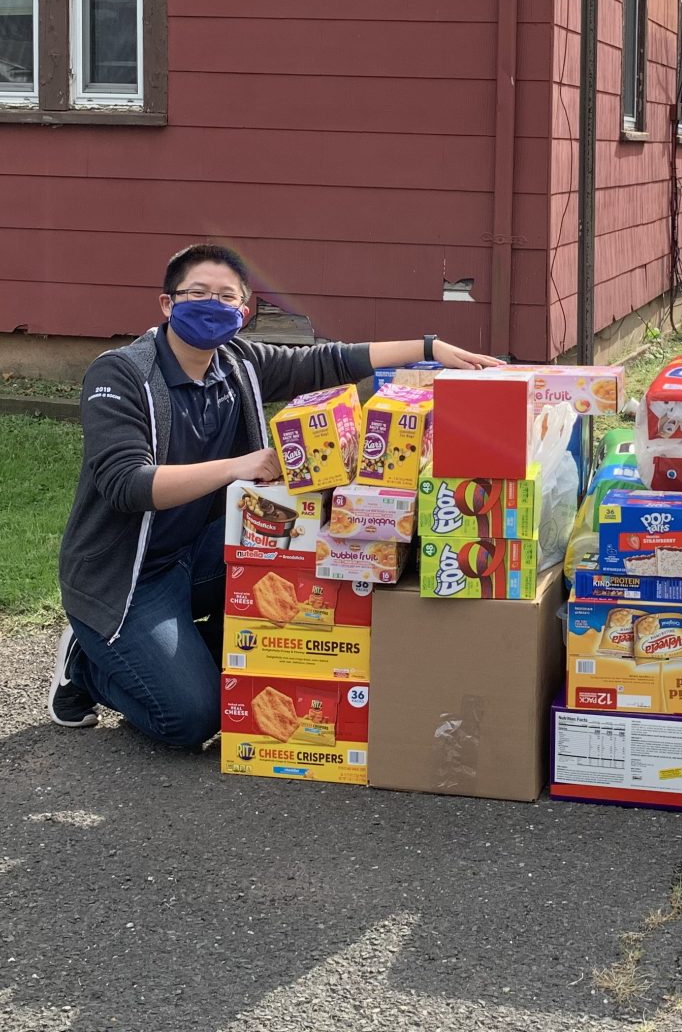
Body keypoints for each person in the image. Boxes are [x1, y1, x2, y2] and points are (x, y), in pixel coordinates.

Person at [48, 242, 501, 745]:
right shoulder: (121, 374)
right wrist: (240, 466)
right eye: (198, 292)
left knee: (304, 582)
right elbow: (125, 485)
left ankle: (175, 650)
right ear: (167, 303)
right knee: (191, 718)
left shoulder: (237, 362)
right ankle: (87, 665)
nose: (212, 305)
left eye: (226, 297)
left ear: (242, 313)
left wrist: (429, 348)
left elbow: (327, 361)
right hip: (128, 576)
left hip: (202, 553)